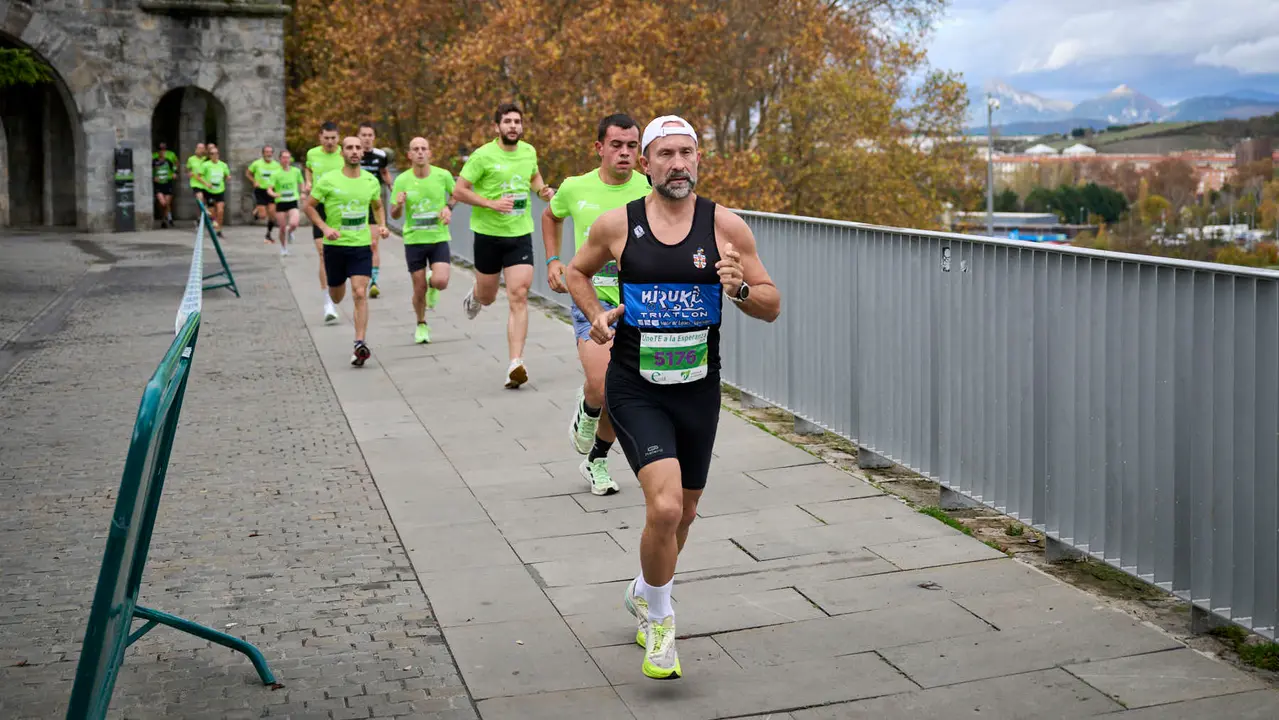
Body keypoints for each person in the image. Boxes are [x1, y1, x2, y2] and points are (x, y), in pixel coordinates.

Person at [565, 115, 781, 680]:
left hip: (698, 391)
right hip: (636, 387)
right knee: (662, 507)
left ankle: (643, 589)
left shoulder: (725, 227)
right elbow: (574, 272)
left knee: (683, 514)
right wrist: (595, 318)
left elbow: (770, 302)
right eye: (665, 154)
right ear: (646, 164)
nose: (678, 163)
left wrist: (736, 289)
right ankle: (660, 622)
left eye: (687, 153)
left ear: (699, 160)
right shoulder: (617, 225)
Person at [543, 113, 650, 496]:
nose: (624, 153)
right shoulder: (574, 187)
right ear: (599, 147)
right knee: (604, 386)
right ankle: (589, 407)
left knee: (620, 391)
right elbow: (550, 216)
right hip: (590, 298)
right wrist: (554, 260)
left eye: (632, 146)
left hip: (639, 304)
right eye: (616, 145)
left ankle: (597, 460)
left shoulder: (649, 188)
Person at [452, 102, 555, 388]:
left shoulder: (529, 151)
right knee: (488, 296)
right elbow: (459, 190)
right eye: (507, 121)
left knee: (518, 294)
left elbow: (533, 175)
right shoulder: (482, 156)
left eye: (517, 121)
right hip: (487, 235)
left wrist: (542, 190)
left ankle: (515, 363)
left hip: (519, 234)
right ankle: (475, 295)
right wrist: (490, 203)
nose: (513, 126)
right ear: (497, 127)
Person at [304, 136, 387, 367]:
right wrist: (324, 228)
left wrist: (381, 225)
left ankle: (359, 343)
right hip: (335, 247)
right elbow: (309, 207)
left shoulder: (371, 181)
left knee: (360, 293)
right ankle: (332, 294)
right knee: (337, 295)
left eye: (358, 148)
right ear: (342, 152)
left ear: (362, 153)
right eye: (349, 147)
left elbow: (378, 205)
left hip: (360, 246)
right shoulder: (329, 180)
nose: (354, 151)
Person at [390, 136, 455, 344]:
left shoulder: (442, 175)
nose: (419, 152)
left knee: (441, 281)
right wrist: (399, 204)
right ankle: (421, 324)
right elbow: (394, 215)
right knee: (418, 289)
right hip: (414, 240)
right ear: (409, 155)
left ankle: (432, 282)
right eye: (415, 149)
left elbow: (458, 194)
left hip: (438, 237)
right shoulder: (401, 180)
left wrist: (448, 207)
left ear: (429, 153)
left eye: (423, 148)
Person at [306, 122, 345, 323]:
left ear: (338, 138)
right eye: (326, 138)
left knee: (338, 253)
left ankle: (340, 287)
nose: (330, 142)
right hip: (319, 206)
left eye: (333, 138)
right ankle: (328, 302)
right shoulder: (312, 154)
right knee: (323, 254)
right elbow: (308, 169)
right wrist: (308, 183)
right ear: (320, 137)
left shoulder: (344, 154)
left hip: (339, 208)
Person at [358, 122, 393, 298]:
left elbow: (384, 172)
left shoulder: (380, 155)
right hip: (354, 205)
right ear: (359, 136)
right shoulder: (353, 154)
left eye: (370, 135)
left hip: (373, 204)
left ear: (374, 137)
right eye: (363, 135)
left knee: (373, 244)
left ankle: (373, 281)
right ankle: (357, 276)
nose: (366, 138)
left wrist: (392, 187)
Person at [267, 149, 304, 256]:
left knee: (294, 223)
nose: (286, 160)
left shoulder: (296, 171)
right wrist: (273, 194)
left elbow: (301, 183)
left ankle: (291, 231)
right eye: (283, 157)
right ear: (280, 159)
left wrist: (302, 192)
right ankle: (283, 248)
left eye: (288, 158)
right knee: (282, 228)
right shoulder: (276, 173)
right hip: (281, 202)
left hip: (292, 201)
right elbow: (269, 188)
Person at [247, 145, 282, 242]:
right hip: (260, 190)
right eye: (266, 152)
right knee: (262, 216)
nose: (269, 154)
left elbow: (280, 177)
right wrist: (254, 181)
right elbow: (248, 173)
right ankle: (257, 211)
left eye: (270, 152)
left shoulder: (276, 165)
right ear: (263, 153)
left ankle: (268, 234)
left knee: (272, 214)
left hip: (271, 191)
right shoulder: (257, 164)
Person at [197, 143, 230, 231]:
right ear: (209, 155)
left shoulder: (223, 165)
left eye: (216, 153)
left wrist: (228, 177)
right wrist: (206, 184)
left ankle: (219, 229)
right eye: (212, 154)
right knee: (212, 213)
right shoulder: (205, 165)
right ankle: (214, 222)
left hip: (220, 190)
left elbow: (227, 175)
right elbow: (198, 176)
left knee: (220, 210)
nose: (215, 155)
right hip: (209, 191)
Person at [152, 142, 178, 228]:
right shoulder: (154, 159)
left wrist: (175, 173)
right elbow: (149, 169)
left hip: (168, 182)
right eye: (160, 150)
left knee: (167, 203)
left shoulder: (169, 159)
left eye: (163, 150)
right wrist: (153, 177)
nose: (162, 152)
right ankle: (166, 217)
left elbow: (175, 165)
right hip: (159, 184)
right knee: (162, 203)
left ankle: (165, 220)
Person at [186, 142, 208, 210]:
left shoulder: (206, 158)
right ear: (196, 149)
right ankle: (201, 217)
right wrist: (189, 173)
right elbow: (188, 169)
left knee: (205, 202)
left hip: (206, 182)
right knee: (200, 199)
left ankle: (200, 218)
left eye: (202, 148)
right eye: (199, 148)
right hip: (196, 183)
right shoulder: (191, 159)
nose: (200, 150)